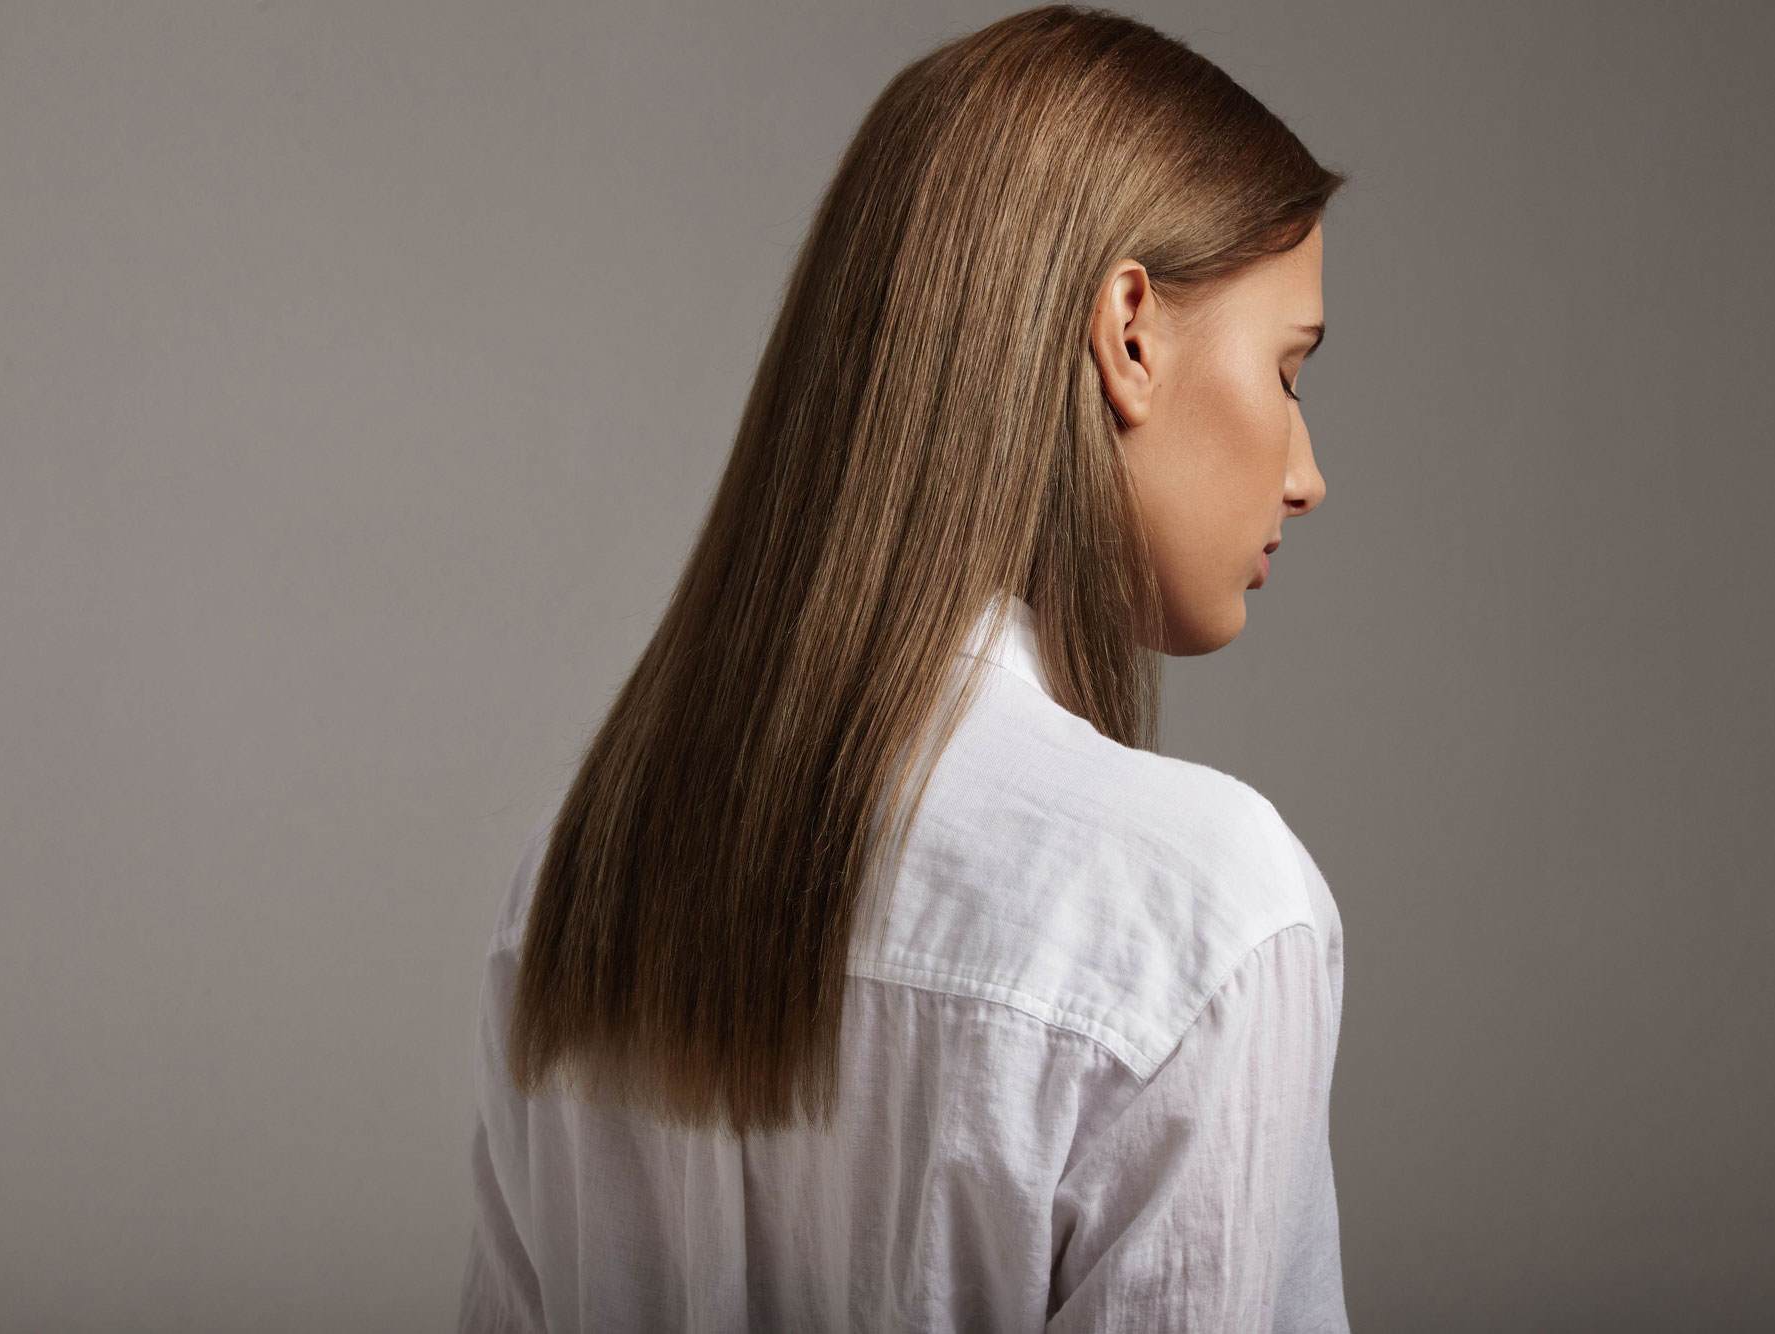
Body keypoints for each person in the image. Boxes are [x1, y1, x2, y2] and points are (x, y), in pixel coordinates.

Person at [457, 4, 1349, 1329]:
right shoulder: (1198, 914)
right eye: (1289, 371)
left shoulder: (581, 878)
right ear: (1131, 333)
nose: (1306, 473)